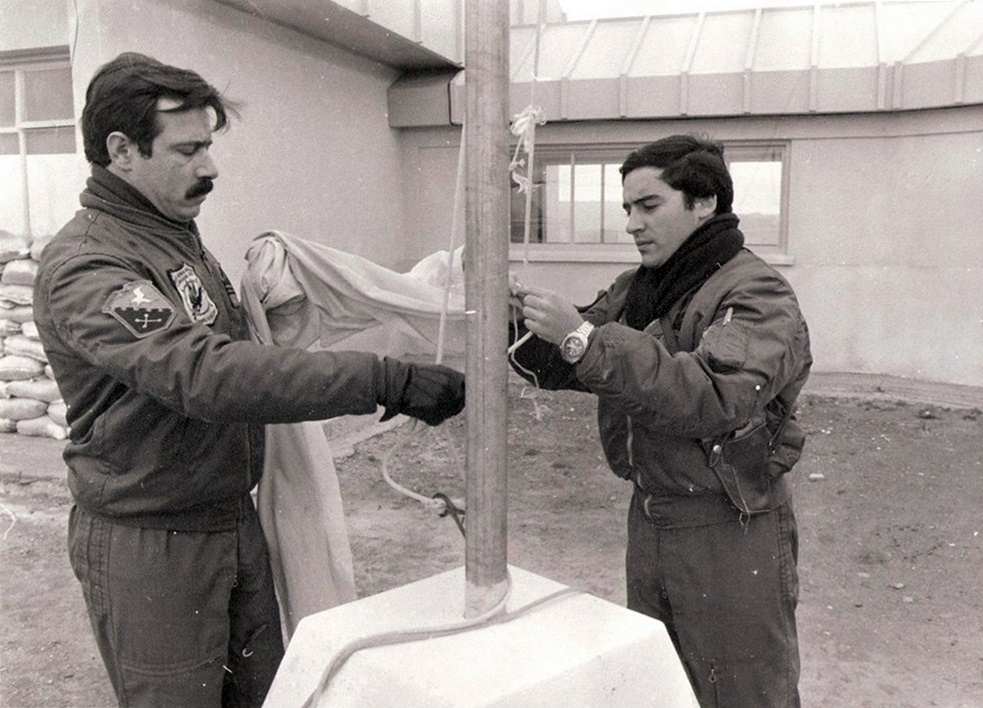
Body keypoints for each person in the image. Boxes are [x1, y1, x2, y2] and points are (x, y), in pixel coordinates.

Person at [32, 52, 465, 707]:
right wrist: (381, 377)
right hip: (154, 545)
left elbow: (228, 345)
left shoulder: (173, 237)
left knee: (261, 696)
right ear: (122, 150)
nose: (210, 167)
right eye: (188, 150)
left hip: (230, 524)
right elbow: (201, 371)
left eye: (208, 146)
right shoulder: (92, 268)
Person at [508, 134, 811, 707]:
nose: (631, 224)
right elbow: (574, 362)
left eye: (649, 206)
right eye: (627, 208)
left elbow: (710, 397)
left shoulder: (756, 292)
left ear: (704, 204)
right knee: (660, 687)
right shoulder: (639, 288)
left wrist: (580, 336)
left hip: (728, 528)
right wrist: (518, 319)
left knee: (742, 692)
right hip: (651, 520)